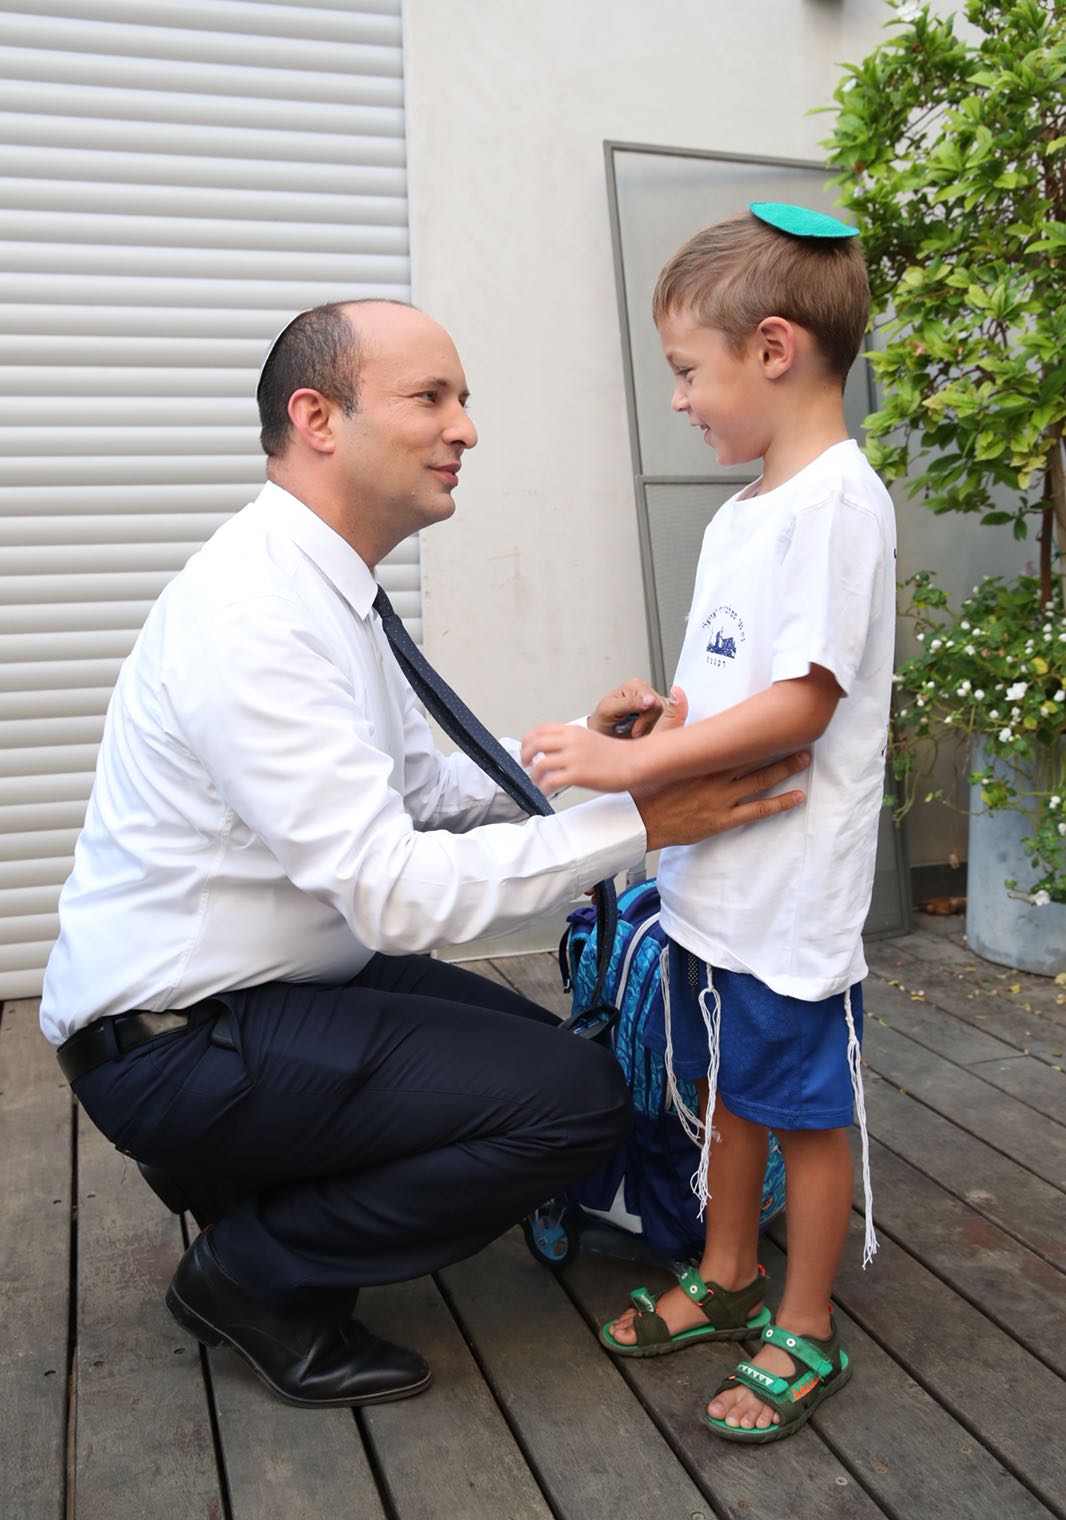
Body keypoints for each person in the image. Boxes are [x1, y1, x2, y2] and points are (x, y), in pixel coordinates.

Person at [39, 297, 811, 1411]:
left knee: (530, 1054)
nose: (466, 428)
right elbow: (396, 895)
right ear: (317, 416)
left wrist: (586, 757)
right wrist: (645, 822)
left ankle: (237, 1178)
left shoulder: (324, 588)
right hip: (178, 1041)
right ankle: (249, 1274)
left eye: (464, 399)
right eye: (430, 398)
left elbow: (426, 788)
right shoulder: (253, 614)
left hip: (270, 988)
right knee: (572, 1101)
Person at [521, 207, 896, 1442]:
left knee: (802, 1105)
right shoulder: (745, 515)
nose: (678, 399)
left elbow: (803, 700)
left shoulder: (838, 501)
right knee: (731, 1085)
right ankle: (728, 1272)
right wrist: (655, 735)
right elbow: (734, 688)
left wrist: (629, 777)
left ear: (775, 348)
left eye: (688, 370)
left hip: (789, 889)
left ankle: (807, 1323)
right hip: (715, 882)